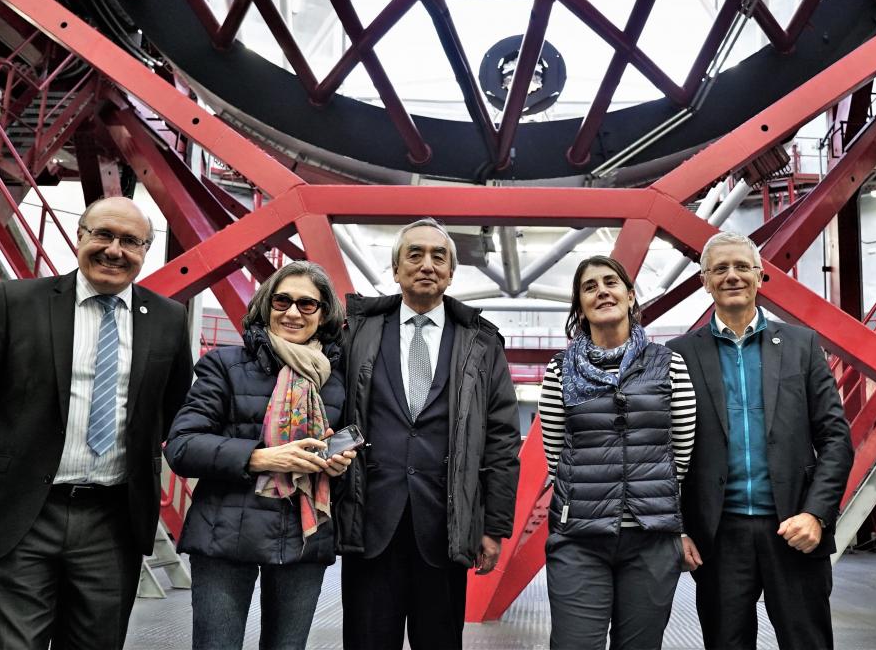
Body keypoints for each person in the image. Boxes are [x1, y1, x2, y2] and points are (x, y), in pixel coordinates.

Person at [0, 196, 194, 648]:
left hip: (113, 522)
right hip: (22, 515)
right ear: (80, 238)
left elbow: (173, 407)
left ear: (145, 251)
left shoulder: (168, 320)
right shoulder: (20, 302)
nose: (115, 250)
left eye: (130, 241)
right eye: (103, 235)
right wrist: (11, 460)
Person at [335, 217, 521, 650]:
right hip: (370, 525)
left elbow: (502, 439)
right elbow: (333, 411)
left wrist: (493, 527)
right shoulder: (356, 333)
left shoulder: (482, 343)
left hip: (446, 527)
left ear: (452, 272)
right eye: (414, 254)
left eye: (439, 256)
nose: (427, 264)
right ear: (395, 269)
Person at [667, 230, 853, 650]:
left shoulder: (803, 346)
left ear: (760, 276)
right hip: (718, 537)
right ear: (705, 280)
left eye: (741, 267)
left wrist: (816, 515)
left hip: (794, 530)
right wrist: (675, 529)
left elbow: (836, 439)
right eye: (720, 268)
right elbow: (663, 450)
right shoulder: (678, 354)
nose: (731, 276)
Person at [164, 261, 358, 649]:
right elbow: (183, 445)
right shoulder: (225, 365)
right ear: (266, 305)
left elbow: (357, 454)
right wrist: (264, 458)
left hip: (304, 538)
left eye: (307, 305)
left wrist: (338, 465)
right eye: (282, 300)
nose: (292, 312)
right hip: (223, 535)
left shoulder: (339, 380)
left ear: (323, 316)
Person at [539, 256, 696, 650]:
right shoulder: (559, 371)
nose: (601, 291)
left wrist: (647, 499)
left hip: (651, 539)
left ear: (629, 296)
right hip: (579, 538)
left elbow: (680, 451)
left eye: (610, 282)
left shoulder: (670, 364)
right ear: (580, 307)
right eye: (589, 287)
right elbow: (557, 456)